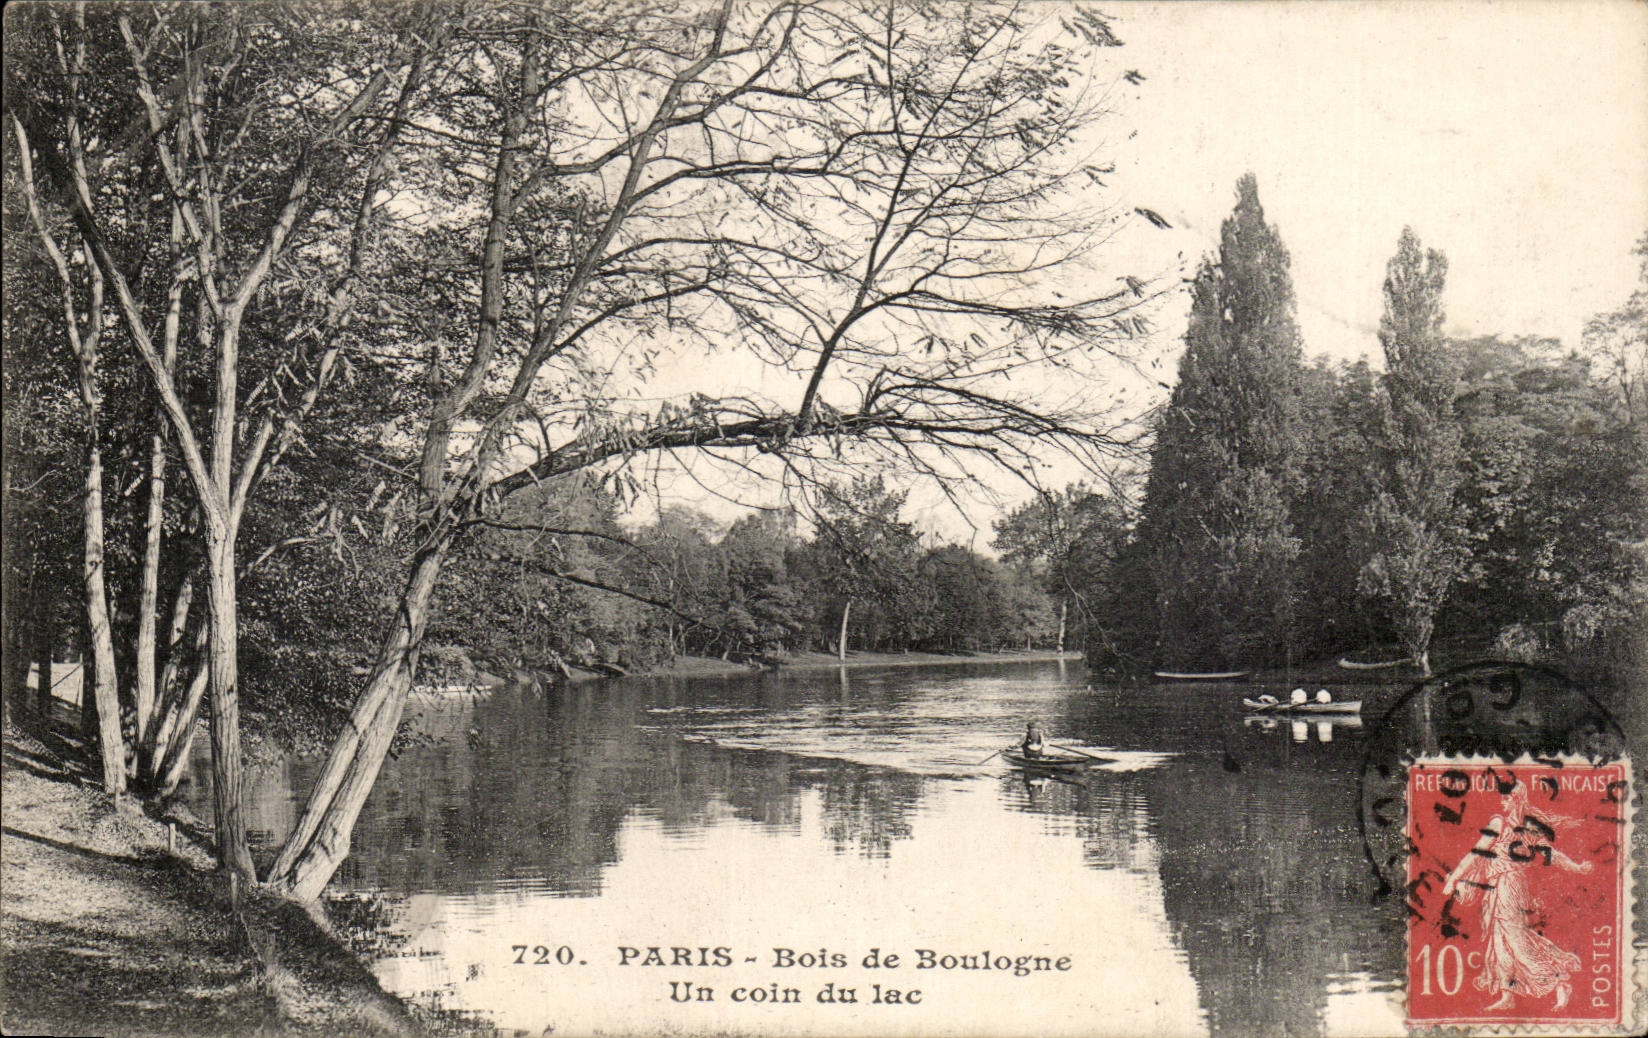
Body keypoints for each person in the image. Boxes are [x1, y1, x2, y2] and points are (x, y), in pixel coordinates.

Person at [1440, 776, 1591, 1011]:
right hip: (1497, 887)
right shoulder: (1499, 824)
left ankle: (1559, 980)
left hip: (1512, 887)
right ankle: (1507, 995)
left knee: (1516, 940)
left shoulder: (1527, 827)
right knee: (1499, 941)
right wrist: (1454, 877)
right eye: (1503, 797)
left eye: (1508, 798)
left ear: (1518, 799)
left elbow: (1551, 853)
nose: (1503, 802)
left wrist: (1577, 867)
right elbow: (1476, 853)